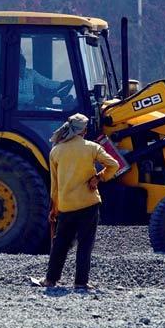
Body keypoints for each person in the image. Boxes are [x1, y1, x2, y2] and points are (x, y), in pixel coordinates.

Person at [42, 113, 121, 291]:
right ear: (84, 130)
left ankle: (50, 280)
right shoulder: (92, 147)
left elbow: (54, 185)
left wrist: (54, 208)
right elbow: (114, 165)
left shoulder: (56, 151)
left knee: (60, 243)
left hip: (66, 205)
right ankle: (80, 282)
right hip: (89, 204)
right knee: (85, 244)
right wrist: (99, 177)